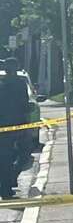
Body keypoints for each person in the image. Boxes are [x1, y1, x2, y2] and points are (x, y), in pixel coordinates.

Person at [0, 59, 29, 198]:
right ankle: (7, 185)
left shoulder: (6, 83)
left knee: (7, 157)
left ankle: (7, 185)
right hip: (15, 126)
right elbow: (24, 104)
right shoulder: (19, 84)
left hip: (8, 126)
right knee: (22, 155)